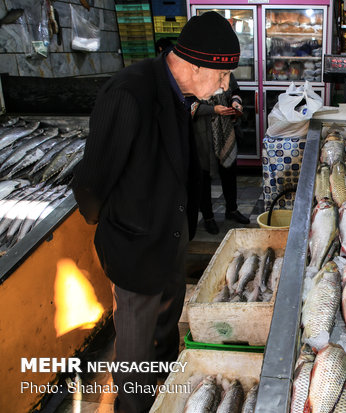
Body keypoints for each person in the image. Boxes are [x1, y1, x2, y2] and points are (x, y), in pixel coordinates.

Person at [71, 12, 239, 413]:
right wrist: (119, 229)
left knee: (165, 338)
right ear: (196, 65)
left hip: (170, 243)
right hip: (135, 250)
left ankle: (163, 399)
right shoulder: (129, 93)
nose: (224, 86)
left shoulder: (181, 96)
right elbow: (92, 180)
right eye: (222, 76)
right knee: (135, 352)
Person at [193, 72, 250, 234]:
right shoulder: (190, 75)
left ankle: (232, 210)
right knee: (204, 175)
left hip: (225, 129)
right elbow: (188, 105)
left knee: (229, 171)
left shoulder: (225, 73)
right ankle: (208, 217)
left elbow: (236, 92)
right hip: (202, 132)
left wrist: (235, 103)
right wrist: (213, 109)